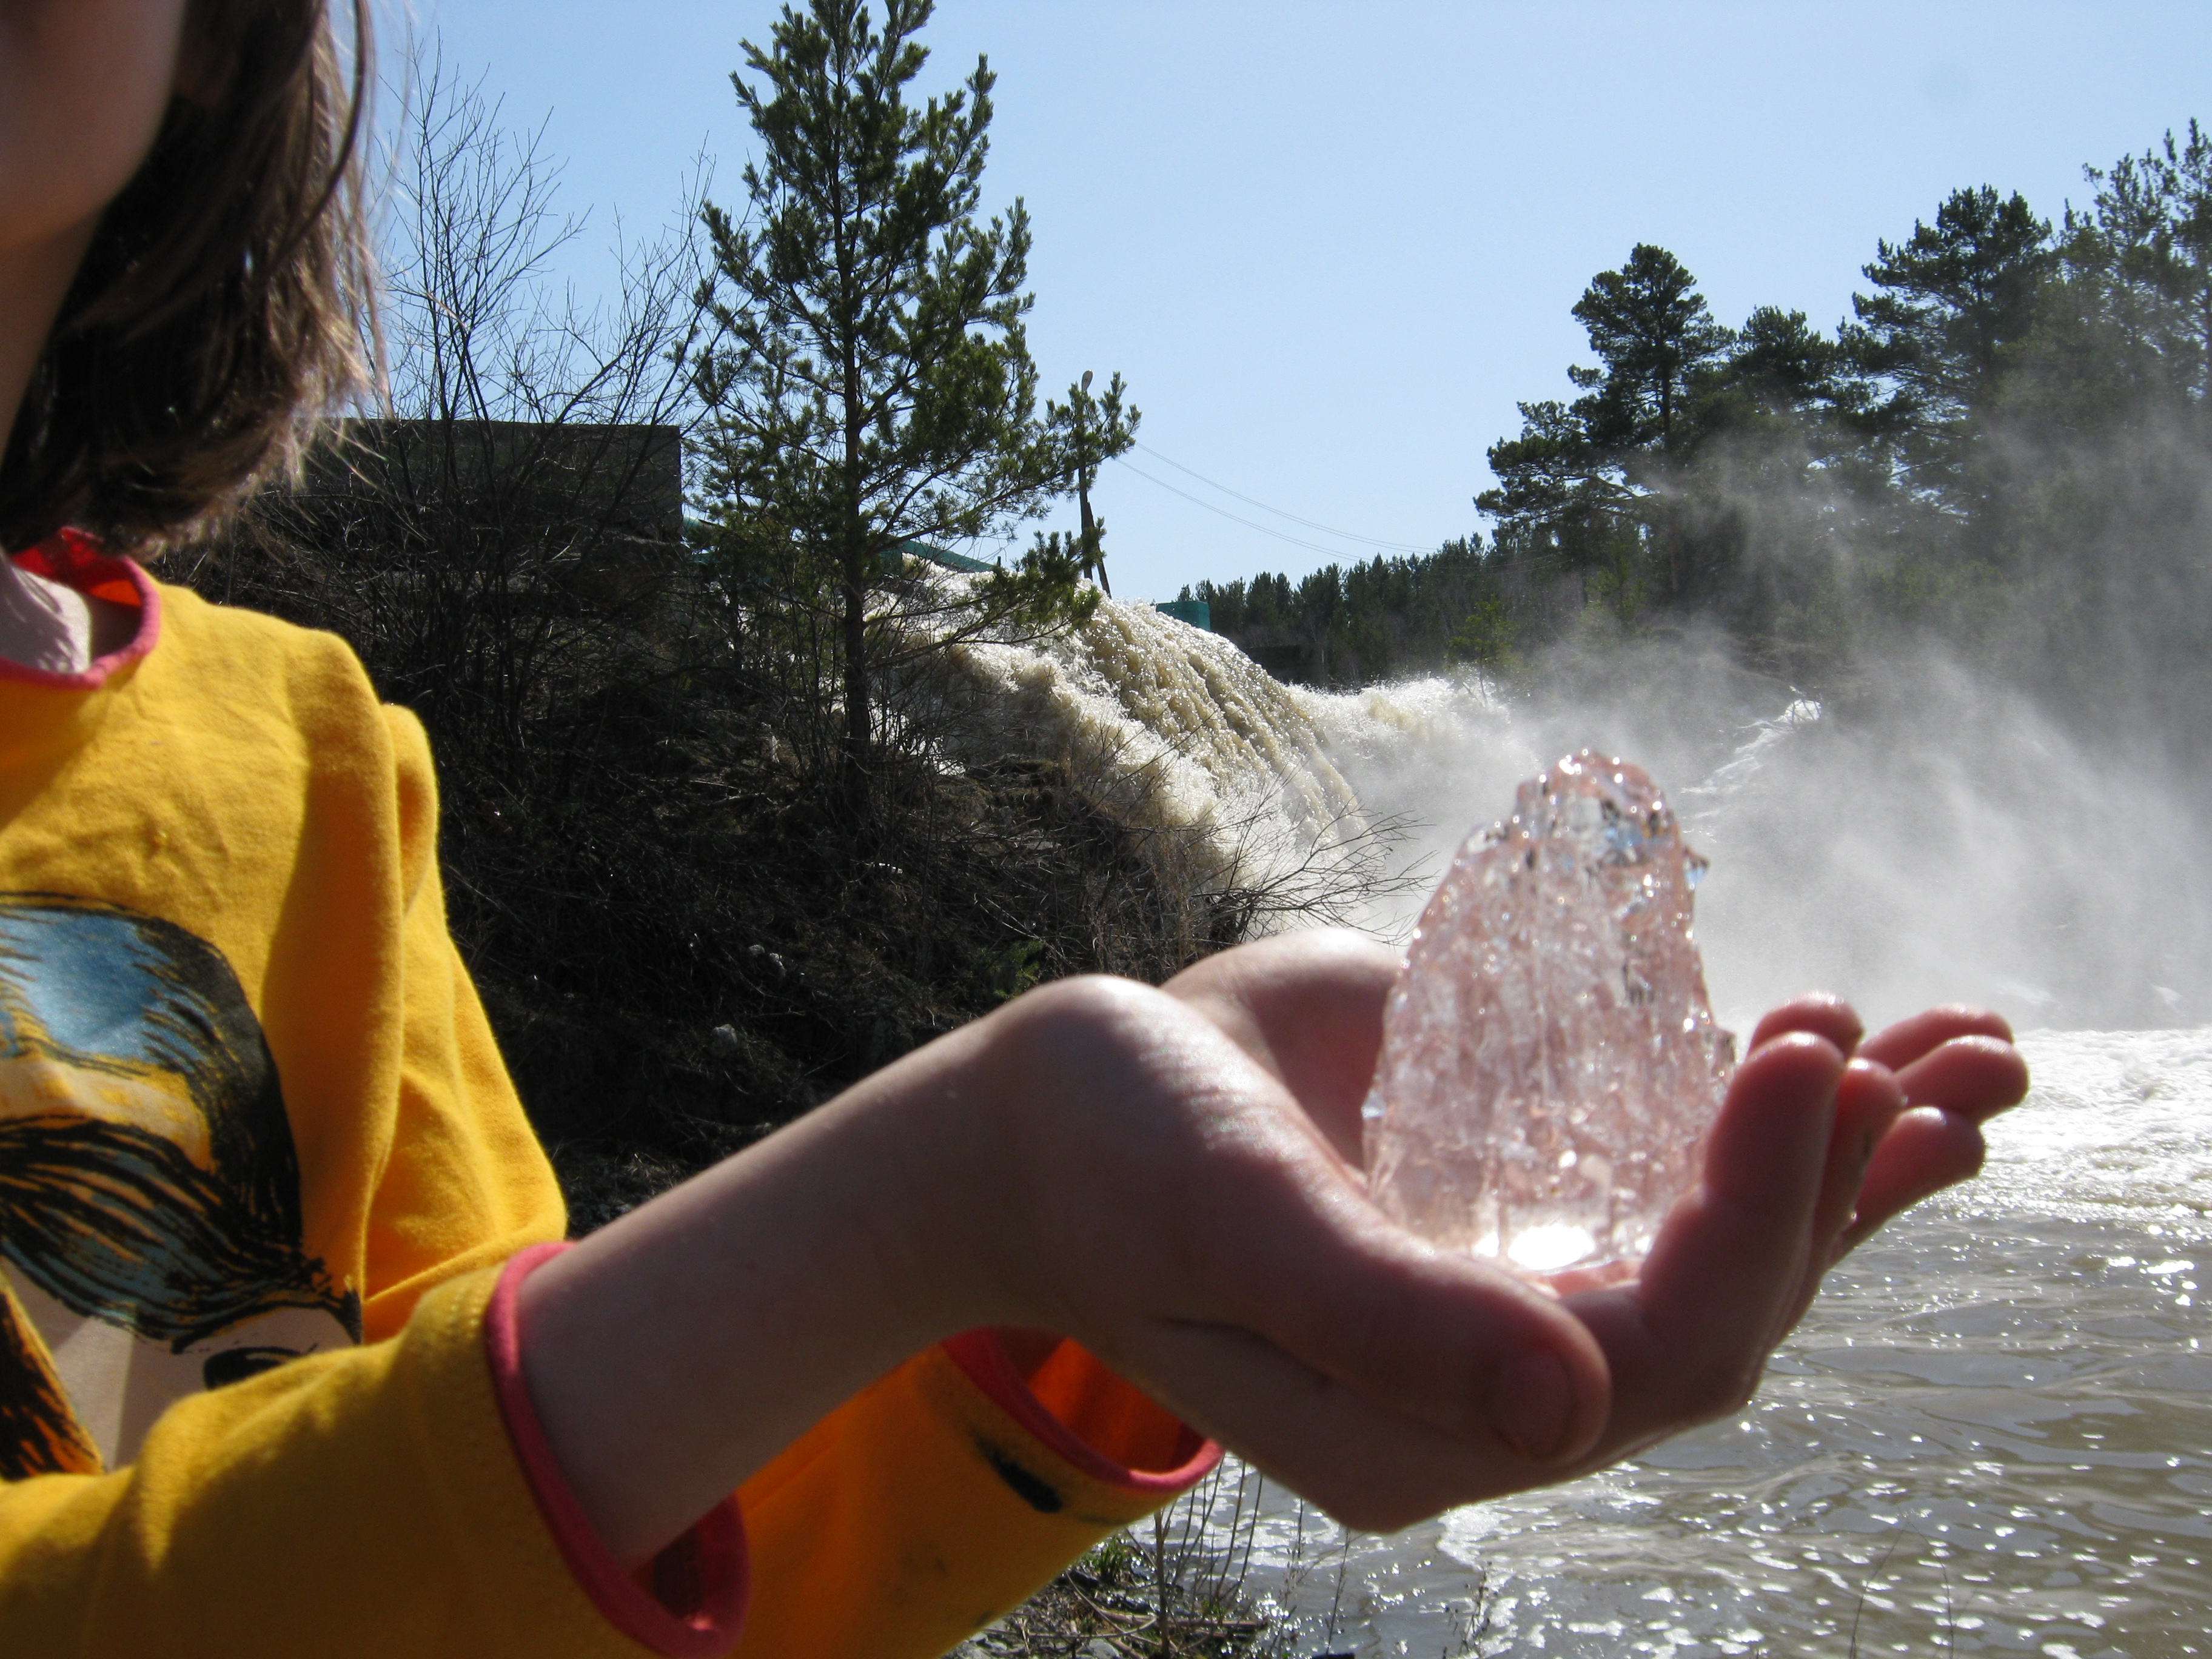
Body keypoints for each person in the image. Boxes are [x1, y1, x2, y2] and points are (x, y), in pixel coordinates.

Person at [0, 4, 2029, 1655]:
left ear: (221, 33)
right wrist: (935, 1188)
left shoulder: (317, 759)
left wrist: (1069, 1286)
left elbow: (547, 1563)